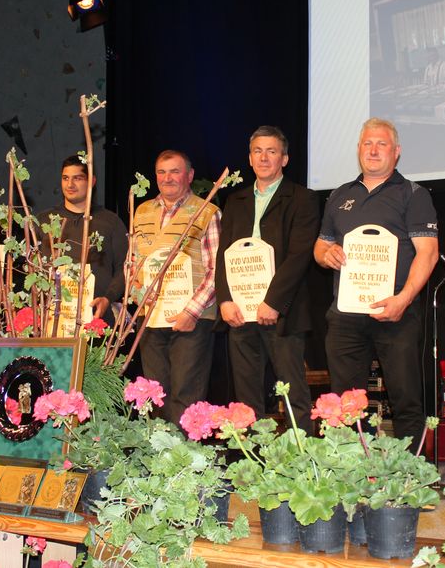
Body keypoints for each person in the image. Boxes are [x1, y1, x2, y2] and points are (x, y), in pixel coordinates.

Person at [314, 118, 439, 442]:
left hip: (395, 311)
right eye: (367, 143)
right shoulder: (340, 195)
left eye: (381, 144)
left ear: (396, 152)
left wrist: (403, 299)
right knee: (346, 403)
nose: (373, 150)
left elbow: (428, 253)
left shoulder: (413, 194)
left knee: (405, 398)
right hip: (345, 314)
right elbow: (321, 245)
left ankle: (411, 468)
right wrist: (326, 254)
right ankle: (352, 464)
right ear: (358, 149)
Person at [215, 126, 319, 433]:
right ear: (249, 158)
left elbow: (299, 256)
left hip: (282, 312)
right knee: (246, 399)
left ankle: (303, 456)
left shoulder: (302, 198)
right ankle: (253, 457)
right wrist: (225, 300)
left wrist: (273, 302)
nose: (263, 158)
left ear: (284, 159)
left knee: (293, 393)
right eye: (257, 151)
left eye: (271, 151)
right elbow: (223, 254)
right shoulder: (235, 200)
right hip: (240, 312)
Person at [134, 150, 221, 427]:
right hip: (151, 319)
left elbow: (216, 270)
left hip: (192, 320)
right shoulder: (142, 211)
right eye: (161, 172)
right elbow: (133, 263)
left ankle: (184, 452)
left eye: (175, 171)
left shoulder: (207, 211)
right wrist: (138, 296)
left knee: (186, 396)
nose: (167, 178)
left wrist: (191, 312)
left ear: (190, 175)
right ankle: (158, 451)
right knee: (155, 395)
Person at [38, 155, 129, 323]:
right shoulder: (44, 221)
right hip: (51, 320)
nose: (70, 185)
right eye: (65, 178)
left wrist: (108, 298)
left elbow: (124, 268)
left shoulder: (110, 222)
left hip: (96, 319)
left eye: (77, 178)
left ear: (92, 181)